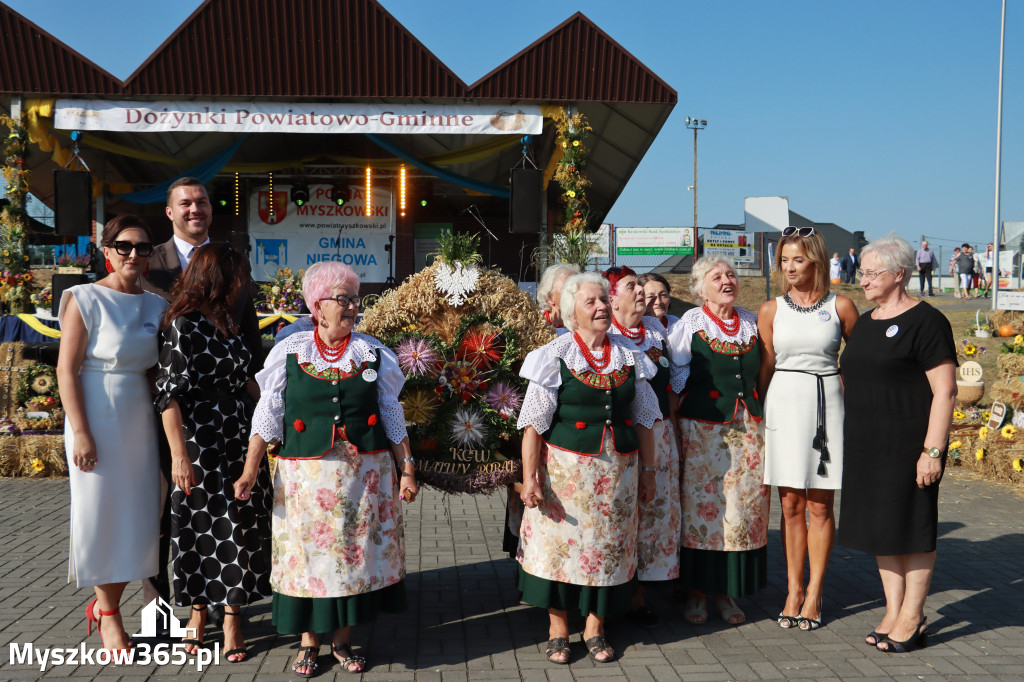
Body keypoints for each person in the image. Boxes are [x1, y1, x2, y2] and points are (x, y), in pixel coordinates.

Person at [236, 261, 418, 676]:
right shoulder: (289, 351)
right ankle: (308, 642)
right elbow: (267, 415)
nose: (352, 306)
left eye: (355, 298)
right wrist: (249, 470)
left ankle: (342, 640)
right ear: (317, 307)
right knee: (308, 559)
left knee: (353, 558)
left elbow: (392, 414)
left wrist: (407, 467)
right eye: (343, 299)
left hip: (362, 477)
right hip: (305, 480)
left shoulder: (374, 354)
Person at [517, 272, 659, 664]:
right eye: (590, 302)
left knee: (609, 549)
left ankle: (596, 626)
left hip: (619, 477)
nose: (601, 307)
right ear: (570, 315)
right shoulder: (553, 355)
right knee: (562, 550)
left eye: (603, 300)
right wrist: (530, 478)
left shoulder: (631, 357)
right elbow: (533, 425)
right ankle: (559, 626)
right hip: (566, 477)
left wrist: (650, 472)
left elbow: (645, 419)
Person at [144, 176, 264, 612]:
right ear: (170, 211)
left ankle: (222, 601)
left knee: (227, 508)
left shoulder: (234, 261)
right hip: (167, 409)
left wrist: (264, 400)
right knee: (168, 512)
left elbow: (248, 334)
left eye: (203, 202)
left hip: (228, 417)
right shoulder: (147, 261)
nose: (195, 209)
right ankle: (158, 608)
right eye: (185, 203)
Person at [837, 235, 956, 653]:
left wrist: (933, 450)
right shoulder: (867, 321)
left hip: (909, 445)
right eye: (863, 272)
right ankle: (893, 609)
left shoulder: (927, 322)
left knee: (913, 528)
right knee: (880, 529)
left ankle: (913, 615)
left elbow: (945, 391)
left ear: (898, 274)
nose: (862, 279)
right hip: (866, 445)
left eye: (872, 273)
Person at [155, 243, 272, 662]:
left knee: (240, 522)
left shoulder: (230, 320)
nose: (246, 282)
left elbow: (249, 380)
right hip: (199, 435)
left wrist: (272, 418)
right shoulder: (183, 325)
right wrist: (178, 455)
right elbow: (167, 395)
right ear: (217, 276)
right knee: (200, 525)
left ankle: (233, 617)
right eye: (239, 273)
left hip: (239, 432)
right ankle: (199, 613)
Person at [56, 215, 169, 651]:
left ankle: (108, 607)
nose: (134, 256)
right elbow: (66, 370)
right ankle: (109, 615)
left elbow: (165, 371)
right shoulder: (83, 298)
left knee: (138, 522)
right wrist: (81, 432)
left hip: (140, 417)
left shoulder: (157, 306)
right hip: (95, 415)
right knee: (102, 517)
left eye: (143, 248)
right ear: (107, 251)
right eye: (124, 247)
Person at [757, 227, 858, 631]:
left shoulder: (842, 306)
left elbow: (860, 361)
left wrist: (843, 399)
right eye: (784, 260)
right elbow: (765, 368)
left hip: (826, 407)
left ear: (816, 260)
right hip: (783, 405)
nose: (790, 268)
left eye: (798, 259)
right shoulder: (771, 310)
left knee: (820, 505)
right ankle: (793, 590)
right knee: (790, 505)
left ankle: (815, 592)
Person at [666, 256, 769, 626]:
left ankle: (726, 592)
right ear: (699, 288)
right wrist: (671, 432)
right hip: (702, 433)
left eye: (730, 275)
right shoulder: (691, 323)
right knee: (702, 511)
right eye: (717, 277)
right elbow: (676, 377)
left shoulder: (753, 322)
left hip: (748, 433)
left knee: (740, 510)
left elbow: (764, 375)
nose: (727, 280)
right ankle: (695, 592)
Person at [605, 266, 687, 629]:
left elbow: (676, 377)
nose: (642, 292)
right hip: (621, 440)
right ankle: (617, 594)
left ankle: (641, 590)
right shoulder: (605, 333)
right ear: (612, 298)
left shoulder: (656, 330)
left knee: (652, 515)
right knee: (621, 514)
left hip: (660, 437)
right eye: (632, 287)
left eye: (641, 285)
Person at [536, 263, 580, 334]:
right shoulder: (535, 324)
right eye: (568, 290)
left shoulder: (586, 325)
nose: (576, 294)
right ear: (549, 297)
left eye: (578, 289)